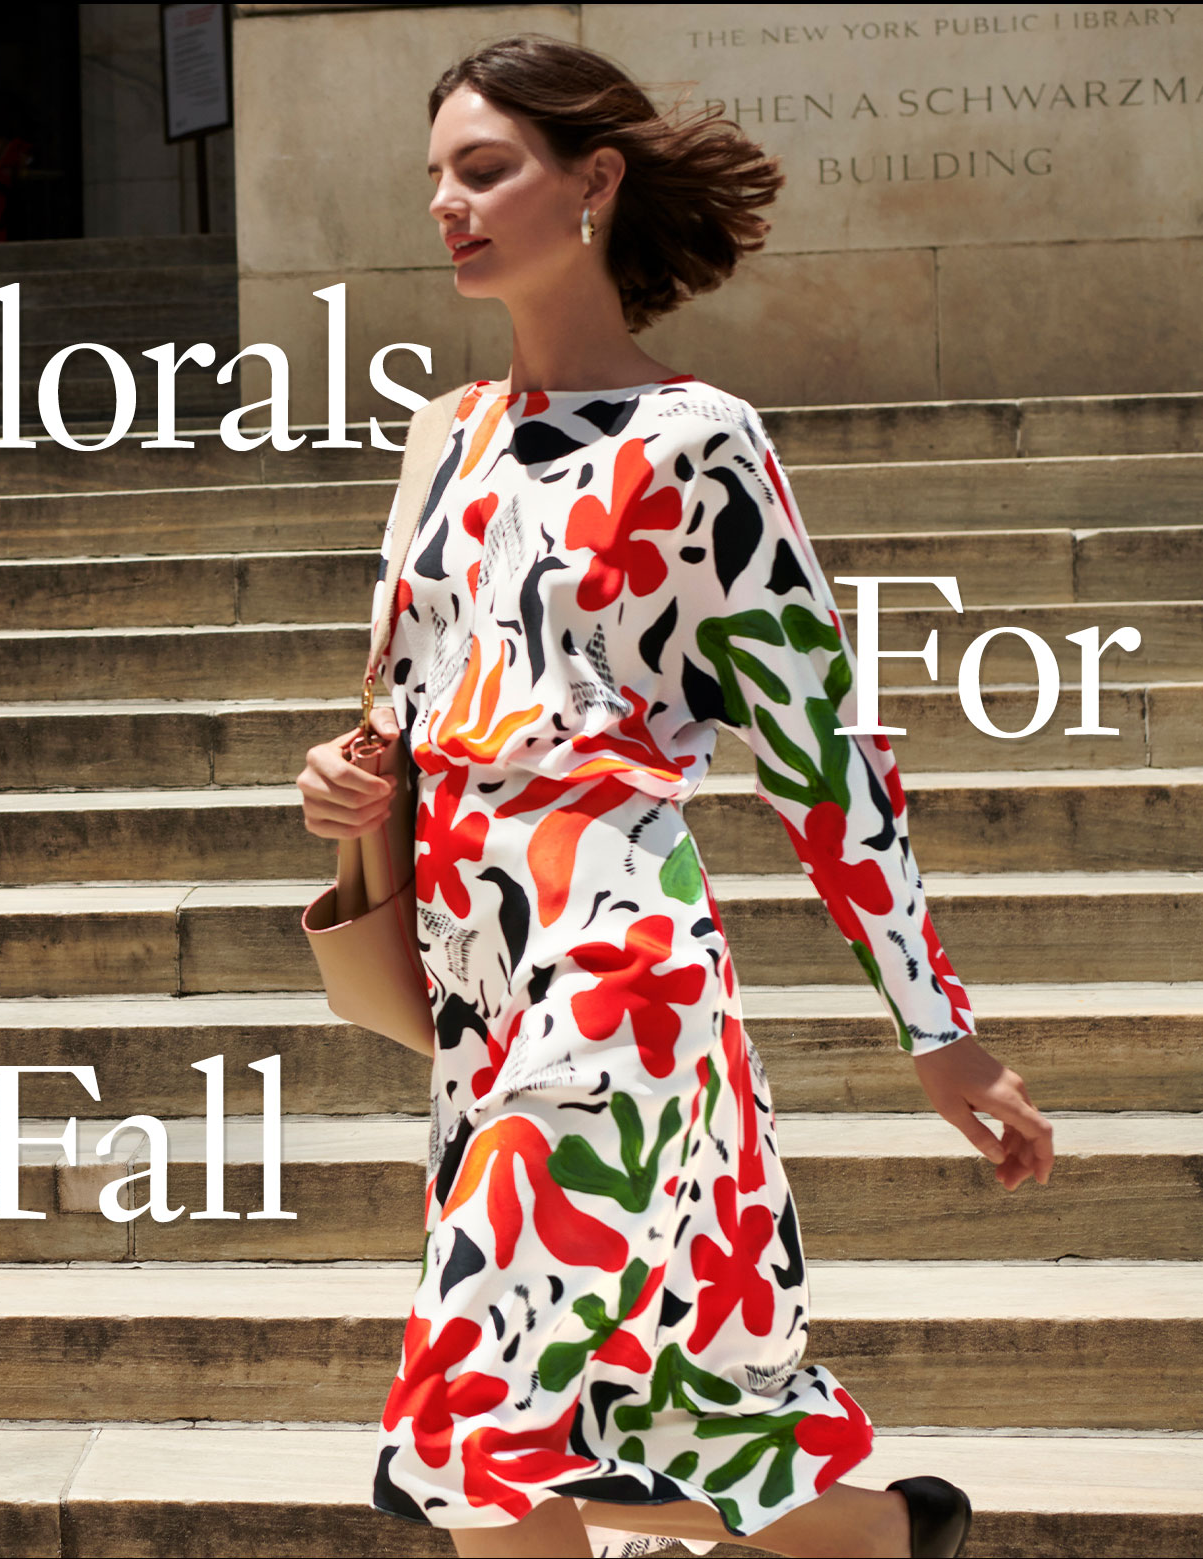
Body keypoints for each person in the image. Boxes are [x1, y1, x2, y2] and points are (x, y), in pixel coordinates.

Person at [296, 34, 1054, 1559]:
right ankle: (885, 1541)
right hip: (479, 968)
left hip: (616, 961)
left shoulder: (697, 440)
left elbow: (822, 751)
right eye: (434, 176)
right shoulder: (442, 436)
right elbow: (401, 699)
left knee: (476, 1409)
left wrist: (938, 1031)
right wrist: (343, 779)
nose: (447, 203)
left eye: (484, 168)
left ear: (594, 181)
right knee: (639, 1425)